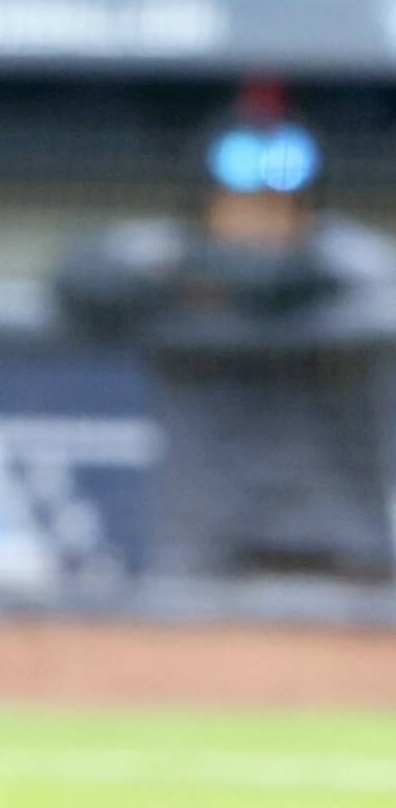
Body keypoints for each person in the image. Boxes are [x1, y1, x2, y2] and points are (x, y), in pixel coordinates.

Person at [54, 96, 396, 580]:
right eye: (240, 203)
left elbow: (281, 277)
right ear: (205, 204)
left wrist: (208, 281)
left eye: (278, 204)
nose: (259, 218)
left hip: (342, 558)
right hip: (209, 563)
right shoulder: (170, 252)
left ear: (310, 209)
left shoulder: (353, 264)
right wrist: (197, 268)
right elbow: (80, 279)